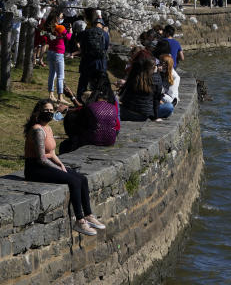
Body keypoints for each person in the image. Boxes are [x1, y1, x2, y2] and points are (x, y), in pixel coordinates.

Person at [23, 100, 105, 236]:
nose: (49, 113)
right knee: (74, 181)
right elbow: (41, 158)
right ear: (38, 112)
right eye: (46, 110)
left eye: (51, 111)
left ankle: (89, 215)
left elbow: (52, 153)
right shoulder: (37, 130)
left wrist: (60, 164)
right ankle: (79, 221)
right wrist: (57, 168)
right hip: (35, 169)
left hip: (47, 164)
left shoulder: (47, 128)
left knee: (82, 178)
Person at [59, 79, 120, 152]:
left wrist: (68, 108)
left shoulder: (92, 106)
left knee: (71, 118)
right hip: (111, 139)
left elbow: (81, 111)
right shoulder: (113, 104)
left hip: (94, 139)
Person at [76, 9, 110, 98]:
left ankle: (79, 99)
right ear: (102, 25)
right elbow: (105, 47)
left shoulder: (86, 32)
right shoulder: (105, 34)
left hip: (86, 61)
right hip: (99, 63)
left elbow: (80, 44)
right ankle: (96, 101)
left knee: (83, 82)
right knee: (98, 83)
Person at [119, 56, 162, 121]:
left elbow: (124, 98)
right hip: (144, 115)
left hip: (128, 111)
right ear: (154, 67)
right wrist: (155, 117)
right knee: (167, 107)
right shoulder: (157, 78)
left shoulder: (135, 76)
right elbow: (156, 100)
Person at [44, 10, 72, 104]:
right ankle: (60, 96)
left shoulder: (48, 27)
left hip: (50, 51)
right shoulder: (60, 27)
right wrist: (70, 32)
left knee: (52, 74)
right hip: (58, 52)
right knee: (60, 76)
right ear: (56, 17)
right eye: (60, 16)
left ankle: (51, 95)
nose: (61, 17)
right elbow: (68, 37)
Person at [152, 40, 179, 119]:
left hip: (167, 99)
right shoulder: (157, 72)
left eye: (161, 63)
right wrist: (156, 73)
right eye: (159, 63)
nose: (158, 65)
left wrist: (160, 96)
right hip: (156, 99)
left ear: (167, 66)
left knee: (169, 106)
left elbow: (173, 99)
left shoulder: (174, 77)